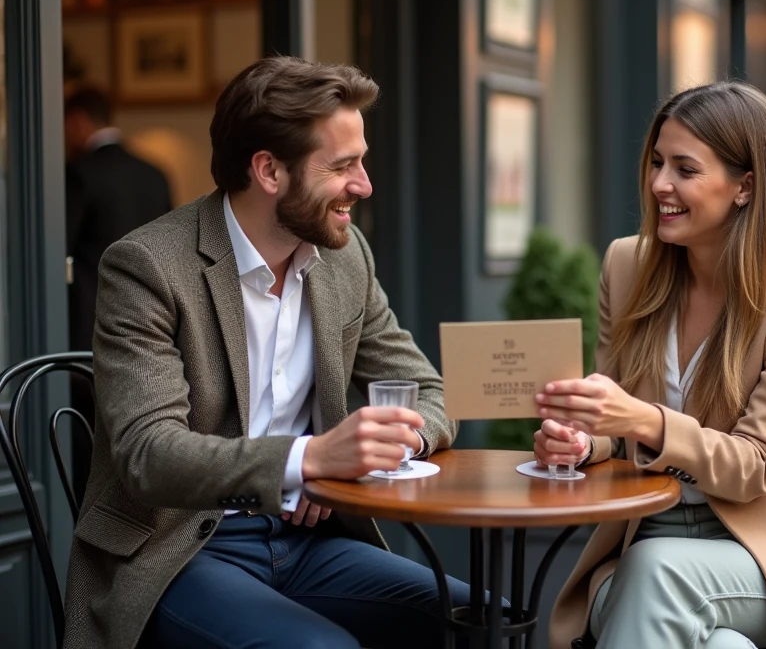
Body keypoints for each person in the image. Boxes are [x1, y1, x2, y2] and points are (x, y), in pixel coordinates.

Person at [63, 57, 471, 649]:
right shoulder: (148, 266)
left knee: (483, 618)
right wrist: (303, 460)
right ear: (269, 171)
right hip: (177, 550)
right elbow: (149, 456)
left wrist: (382, 445)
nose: (364, 184)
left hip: (312, 540)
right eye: (343, 165)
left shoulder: (344, 255)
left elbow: (432, 393)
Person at [532, 81, 766, 649]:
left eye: (685, 169)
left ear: (745, 187)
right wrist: (579, 442)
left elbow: (755, 466)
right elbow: (608, 431)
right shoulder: (626, 265)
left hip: (763, 553)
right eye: (657, 162)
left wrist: (644, 421)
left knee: (658, 570)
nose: (660, 184)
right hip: (640, 535)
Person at [64, 87, 173, 483]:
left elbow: (57, 250)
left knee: (86, 432)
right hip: (156, 319)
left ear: (77, 121)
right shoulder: (154, 173)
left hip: (89, 320)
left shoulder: (79, 173)